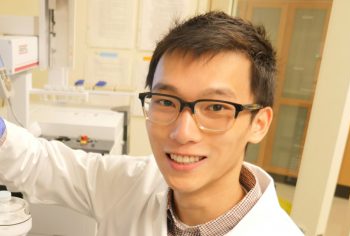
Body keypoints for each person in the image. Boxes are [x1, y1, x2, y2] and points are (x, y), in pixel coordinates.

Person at [0, 11, 303, 235]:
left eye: (215, 107)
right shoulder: (132, 183)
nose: (182, 132)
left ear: (259, 123)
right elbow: (40, 163)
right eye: (166, 102)